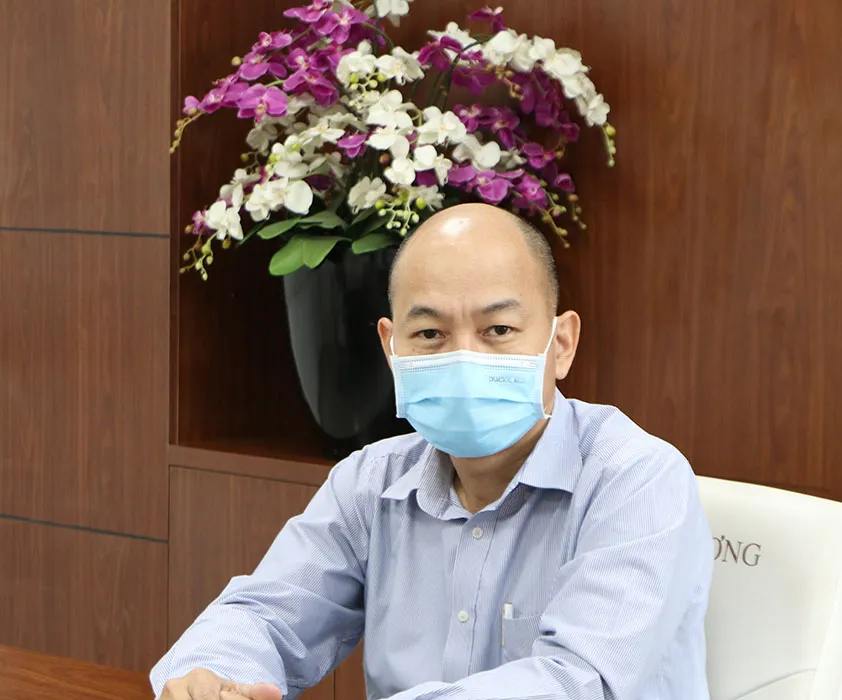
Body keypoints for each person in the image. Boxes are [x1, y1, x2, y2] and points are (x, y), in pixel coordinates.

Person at [151, 203, 713, 700]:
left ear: (560, 343)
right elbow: (268, 615)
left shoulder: (637, 479)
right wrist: (213, 678)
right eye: (429, 334)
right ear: (391, 348)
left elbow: (581, 683)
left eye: (498, 329)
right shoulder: (370, 482)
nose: (464, 356)